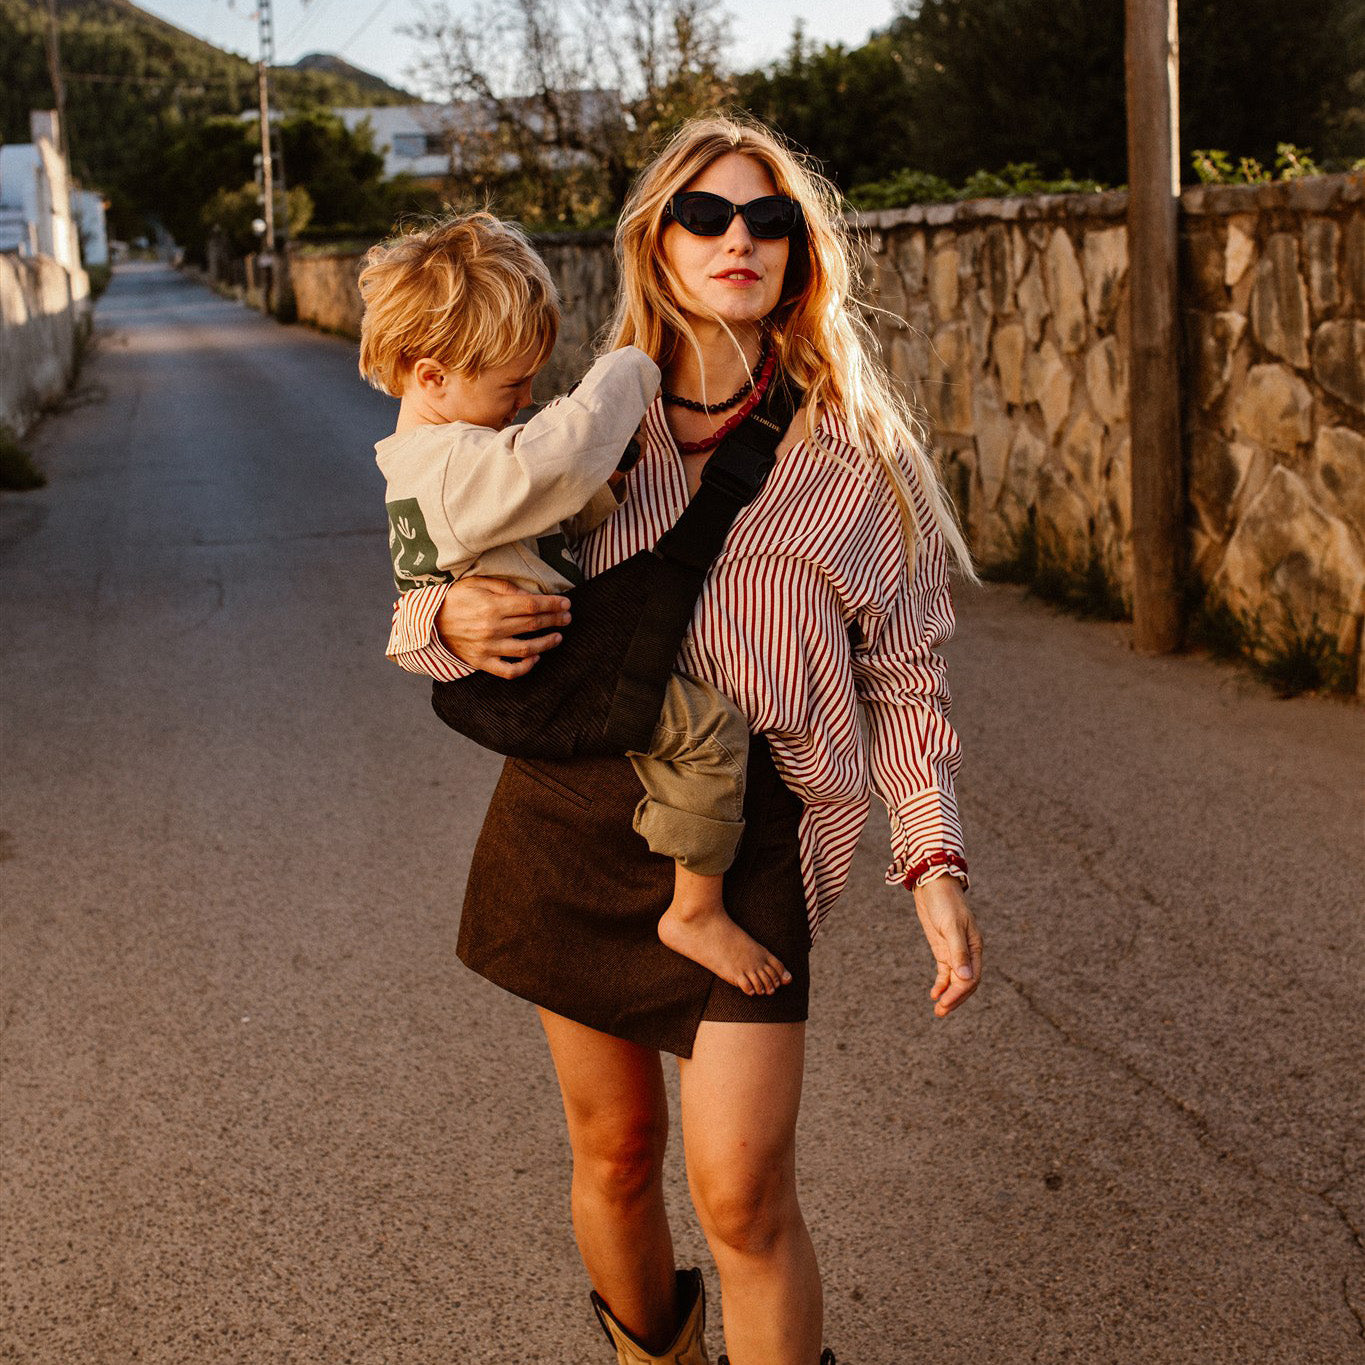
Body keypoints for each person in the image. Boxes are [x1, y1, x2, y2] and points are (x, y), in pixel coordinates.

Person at [390, 117, 985, 1365]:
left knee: (742, 1198)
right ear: (655, 243)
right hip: (575, 821)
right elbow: (432, 567)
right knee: (614, 1158)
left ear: (799, 255)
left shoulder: (856, 457)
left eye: (769, 222)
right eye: (706, 217)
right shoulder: (574, 431)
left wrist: (933, 861)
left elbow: (906, 675)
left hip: (747, 842)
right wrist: (445, 611)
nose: (738, 241)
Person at [361, 213, 790, 997]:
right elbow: (559, 459)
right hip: (545, 679)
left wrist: (599, 500)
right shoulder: (452, 464)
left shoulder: (445, 459)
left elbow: (545, 511)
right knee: (709, 733)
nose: (527, 400)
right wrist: (635, 358)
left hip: (530, 674)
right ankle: (694, 909)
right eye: (512, 386)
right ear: (429, 376)